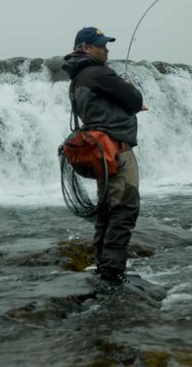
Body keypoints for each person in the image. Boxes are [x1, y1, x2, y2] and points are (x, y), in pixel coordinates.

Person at [62, 27, 148, 285]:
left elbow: (102, 108)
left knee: (107, 211)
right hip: (116, 152)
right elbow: (134, 99)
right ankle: (112, 274)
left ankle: (103, 267)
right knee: (124, 210)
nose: (106, 49)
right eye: (101, 45)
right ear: (85, 47)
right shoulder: (99, 73)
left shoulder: (77, 77)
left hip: (101, 153)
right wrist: (130, 89)